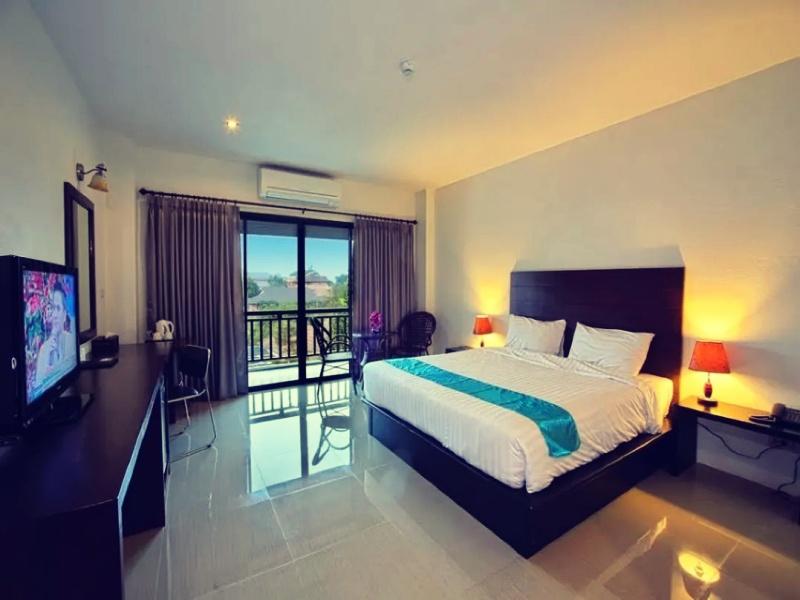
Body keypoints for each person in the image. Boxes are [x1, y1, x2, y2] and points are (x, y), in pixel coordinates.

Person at [33, 282, 76, 392]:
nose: (55, 315)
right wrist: (46, 377)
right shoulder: (44, 351)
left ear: (64, 314)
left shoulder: (72, 341)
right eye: (52, 308)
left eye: (58, 308)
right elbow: (38, 389)